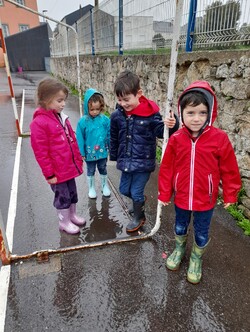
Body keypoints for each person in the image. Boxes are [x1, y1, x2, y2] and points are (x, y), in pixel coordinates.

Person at [158, 80, 241, 284]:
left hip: (206, 198)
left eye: (202, 113)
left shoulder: (219, 138)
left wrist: (230, 194)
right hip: (182, 197)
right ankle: (179, 249)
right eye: (191, 113)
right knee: (180, 226)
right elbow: (167, 168)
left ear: (210, 112)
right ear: (181, 112)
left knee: (202, 231)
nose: (196, 119)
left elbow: (230, 169)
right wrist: (164, 192)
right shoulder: (177, 138)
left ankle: (196, 258)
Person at [110, 70, 179, 233]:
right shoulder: (117, 116)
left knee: (135, 191)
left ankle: (139, 217)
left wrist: (172, 124)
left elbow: (161, 131)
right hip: (125, 160)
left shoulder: (150, 114)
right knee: (124, 189)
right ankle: (138, 202)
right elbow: (113, 137)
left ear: (138, 94)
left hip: (143, 162)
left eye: (126, 99)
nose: (123, 103)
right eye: (120, 100)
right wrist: (114, 155)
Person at [30, 77, 86, 235]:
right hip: (57, 172)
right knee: (63, 197)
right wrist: (49, 174)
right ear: (46, 100)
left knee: (72, 194)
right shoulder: (39, 123)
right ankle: (64, 222)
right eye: (59, 100)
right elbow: (41, 152)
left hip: (68, 168)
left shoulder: (61, 116)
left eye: (64, 100)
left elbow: (71, 140)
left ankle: (72, 215)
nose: (63, 104)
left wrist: (78, 159)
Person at [76, 88, 111, 199]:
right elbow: (79, 138)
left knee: (103, 168)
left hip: (102, 152)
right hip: (89, 153)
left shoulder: (105, 120)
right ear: (87, 107)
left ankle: (104, 186)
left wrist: (111, 147)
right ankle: (91, 188)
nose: (95, 112)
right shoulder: (83, 122)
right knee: (90, 170)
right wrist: (81, 152)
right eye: (92, 109)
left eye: (97, 109)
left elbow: (110, 134)